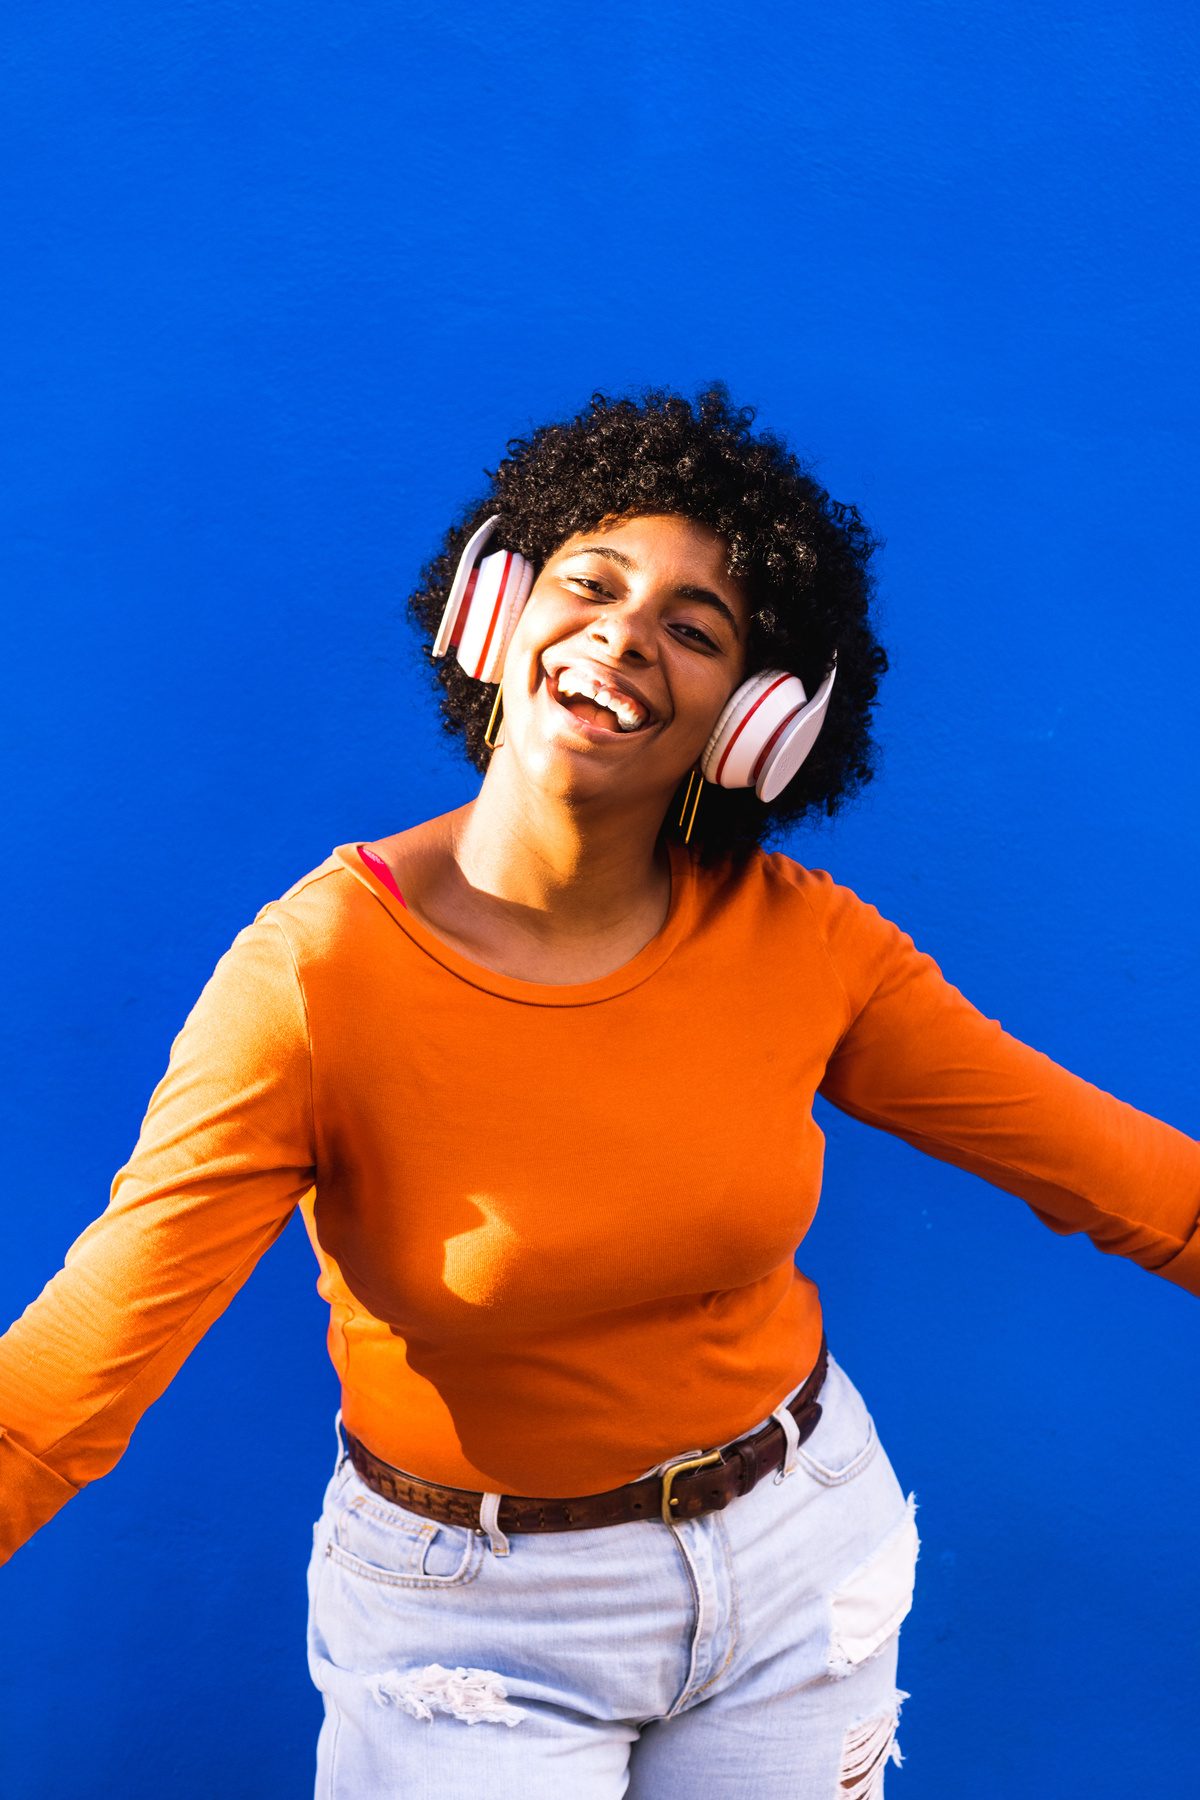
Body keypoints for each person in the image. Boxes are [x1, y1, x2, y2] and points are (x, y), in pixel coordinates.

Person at [1, 388, 1196, 1800]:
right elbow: (81, 1367)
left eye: (697, 630)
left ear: (754, 723)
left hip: (797, 1558)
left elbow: (1121, 1178)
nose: (628, 637)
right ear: (495, 610)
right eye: (592, 581)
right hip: (469, 1621)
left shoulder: (803, 941)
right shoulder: (314, 976)